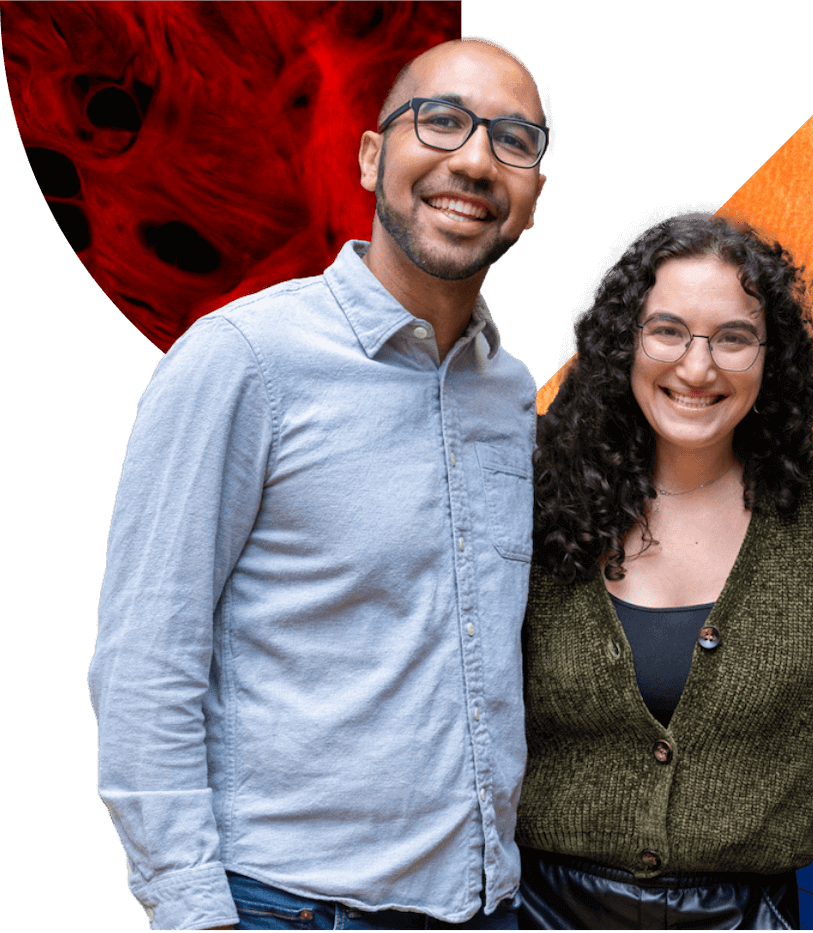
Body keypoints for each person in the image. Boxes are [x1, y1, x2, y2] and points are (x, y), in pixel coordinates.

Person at [89, 37, 548, 930]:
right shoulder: (244, 361)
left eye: (513, 140)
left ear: (532, 204)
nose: (474, 159)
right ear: (373, 156)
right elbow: (147, 659)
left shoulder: (512, 394)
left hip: (485, 904)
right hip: (288, 907)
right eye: (442, 121)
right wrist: (190, 908)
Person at [517, 210, 813, 929]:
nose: (697, 367)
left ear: (774, 357)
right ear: (623, 343)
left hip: (752, 914)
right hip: (534, 911)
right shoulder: (532, 498)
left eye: (733, 338)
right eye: (667, 330)